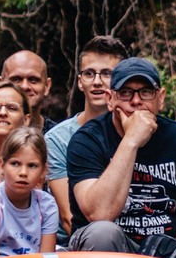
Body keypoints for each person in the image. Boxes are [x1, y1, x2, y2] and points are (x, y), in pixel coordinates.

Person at [65, 58, 176, 258]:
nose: (136, 101)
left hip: (166, 250)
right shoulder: (87, 139)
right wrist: (131, 140)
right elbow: (98, 214)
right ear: (110, 99)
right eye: (125, 93)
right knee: (103, 232)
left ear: (160, 98)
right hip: (105, 250)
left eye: (146, 92)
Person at [46, 35, 130, 232]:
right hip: (81, 243)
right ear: (80, 82)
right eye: (89, 74)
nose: (97, 82)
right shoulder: (56, 140)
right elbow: (69, 218)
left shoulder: (138, 131)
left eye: (107, 74)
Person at [0, 125, 60, 258]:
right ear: (1, 165)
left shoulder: (47, 205)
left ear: (43, 170)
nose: (23, 173)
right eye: (15, 164)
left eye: (32, 166)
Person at [0, 49, 53, 126]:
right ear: (0, 84)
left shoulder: (60, 136)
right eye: (16, 79)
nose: (24, 86)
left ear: (47, 86)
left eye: (33, 80)